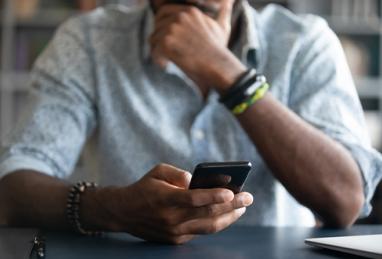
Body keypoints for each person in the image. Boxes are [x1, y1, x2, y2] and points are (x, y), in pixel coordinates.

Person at [0, 0, 381, 244]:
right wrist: (113, 208)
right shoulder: (88, 40)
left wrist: (231, 76)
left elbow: (345, 200)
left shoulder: (304, 42)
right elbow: (13, 186)